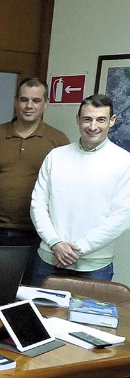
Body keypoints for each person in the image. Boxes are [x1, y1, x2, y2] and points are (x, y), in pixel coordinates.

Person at [30, 94, 130, 287]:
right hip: (49, 259)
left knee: (86, 318)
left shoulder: (124, 162)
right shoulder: (56, 156)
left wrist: (77, 250)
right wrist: (55, 243)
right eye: (87, 119)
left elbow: (122, 217)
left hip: (94, 267)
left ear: (112, 120)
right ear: (78, 119)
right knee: (40, 315)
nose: (93, 126)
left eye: (101, 119)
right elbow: (38, 205)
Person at [0, 78, 69, 285]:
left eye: (36, 100)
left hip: (37, 235)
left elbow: (64, 188)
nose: (29, 106)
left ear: (45, 103)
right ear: (16, 101)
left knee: (29, 292)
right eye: (24, 99)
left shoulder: (58, 141)